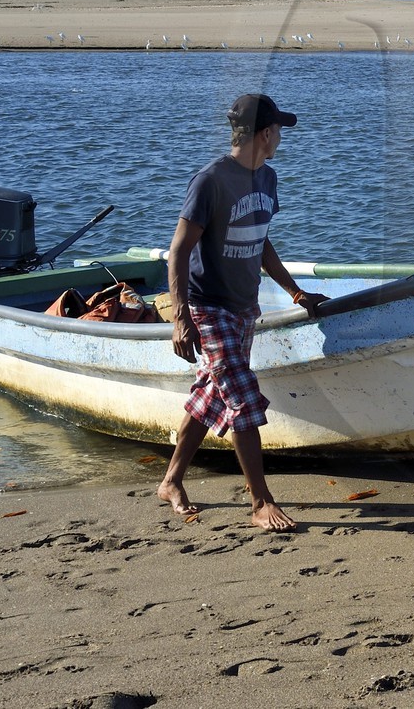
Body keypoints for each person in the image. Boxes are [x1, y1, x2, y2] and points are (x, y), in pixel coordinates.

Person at [157, 93, 328, 530]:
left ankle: (171, 480)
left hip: (242, 307)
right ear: (266, 134)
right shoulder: (211, 180)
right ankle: (259, 501)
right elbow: (178, 252)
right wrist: (181, 317)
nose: (280, 139)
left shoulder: (267, 179)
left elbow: (261, 239)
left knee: (212, 394)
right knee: (242, 398)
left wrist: (295, 292)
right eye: (278, 132)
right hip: (207, 307)